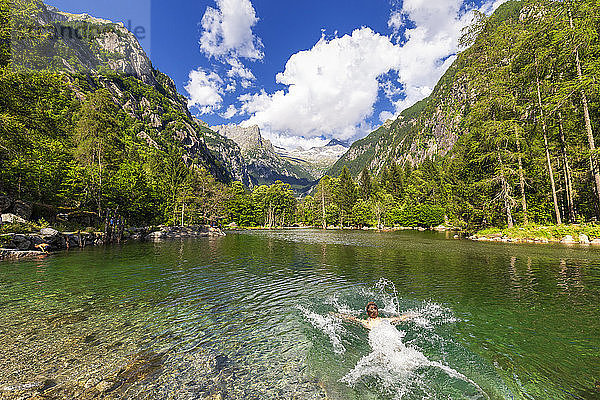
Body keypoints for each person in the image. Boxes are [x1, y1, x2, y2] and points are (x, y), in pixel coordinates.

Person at [333, 301, 414, 330]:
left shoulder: (383, 320)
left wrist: (412, 315)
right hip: (376, 336)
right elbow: (351, 319)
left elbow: (399, 318)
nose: (373, 310)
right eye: (371, 309)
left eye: (375, 308)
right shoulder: (366, 322)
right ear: (368, 312)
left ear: (378, 311)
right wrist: (336, 315)